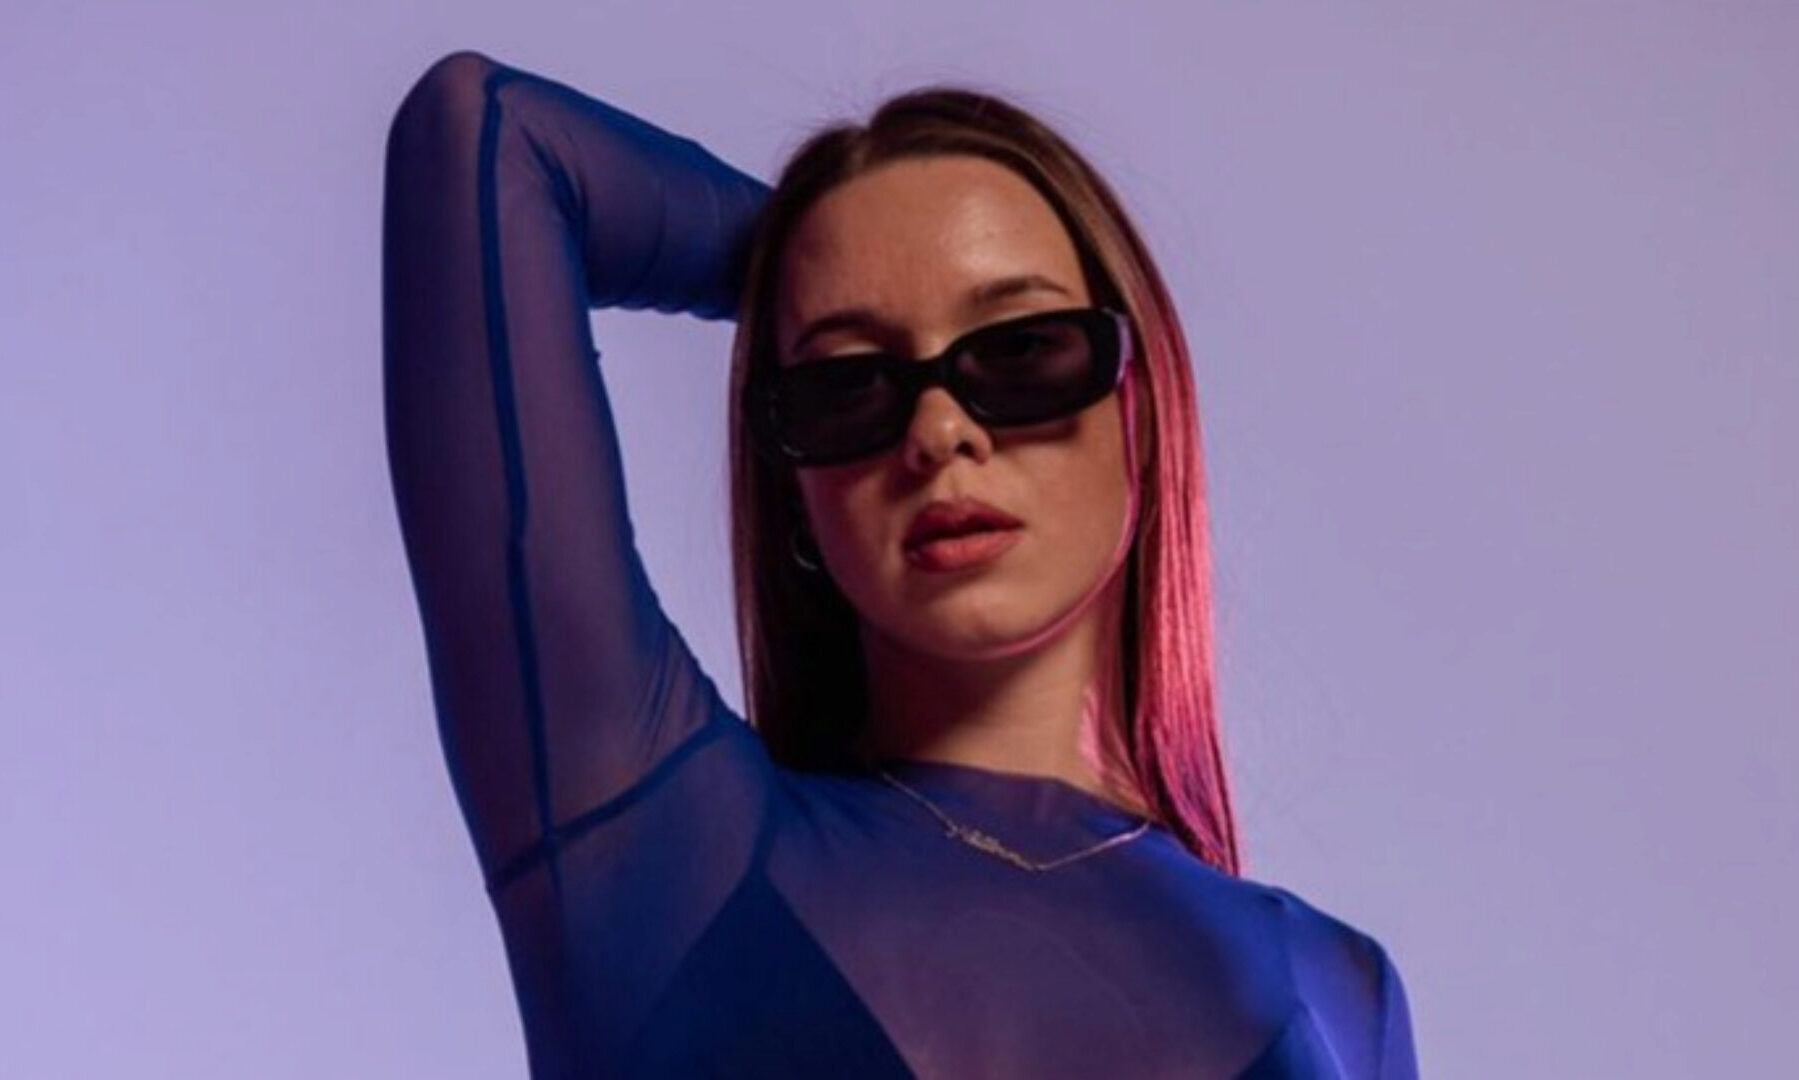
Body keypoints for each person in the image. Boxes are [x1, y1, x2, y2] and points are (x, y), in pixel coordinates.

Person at [382, 47, 1418, 1079]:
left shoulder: (1340, 992)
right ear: (796, 490)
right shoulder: (660, 847)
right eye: (850, 385)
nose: (937, 430)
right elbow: (490, 137)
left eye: (1019, 350)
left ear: (1141, 413)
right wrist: (804, 256)